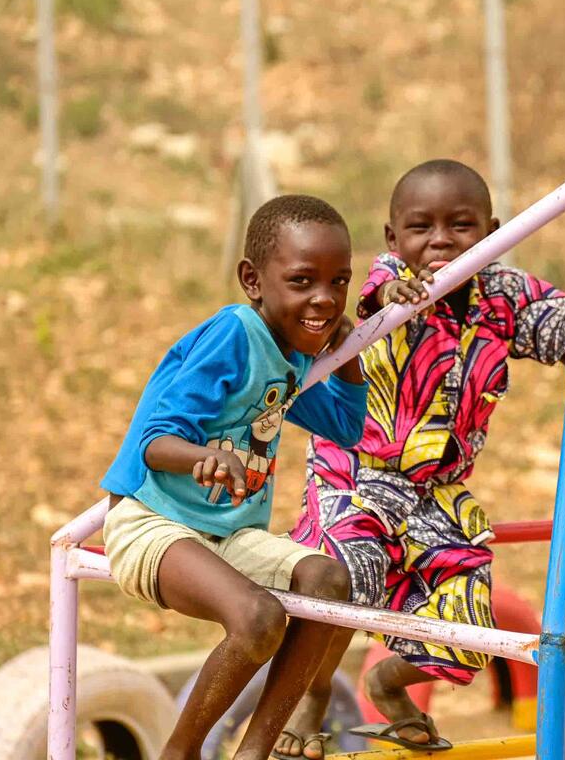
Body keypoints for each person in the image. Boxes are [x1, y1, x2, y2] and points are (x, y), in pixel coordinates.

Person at [274, 159, 565, 758]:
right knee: (344, 571)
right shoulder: (391, 282)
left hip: (436, 493)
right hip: (356, 475)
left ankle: (390, 683)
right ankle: (310, 696)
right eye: (420, 228)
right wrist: (391, 296)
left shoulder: (505, 297)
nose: (439, 240)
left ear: (492, 231)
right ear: (393, 239)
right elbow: (367, 303)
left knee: (469, 607)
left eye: (460, 226)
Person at [100, 194, 369, 760]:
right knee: (258, 618)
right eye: (302, 281)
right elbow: (155, 442)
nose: (322, 298)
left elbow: (344, 426)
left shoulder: (293, 351)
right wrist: (206, 457)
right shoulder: (236, 335)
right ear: (253, 279)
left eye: (338, 282)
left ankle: (256, 750)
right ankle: (181, 751)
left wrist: (347, 342)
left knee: (329, 581)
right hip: (153, 522)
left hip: (227, 535)